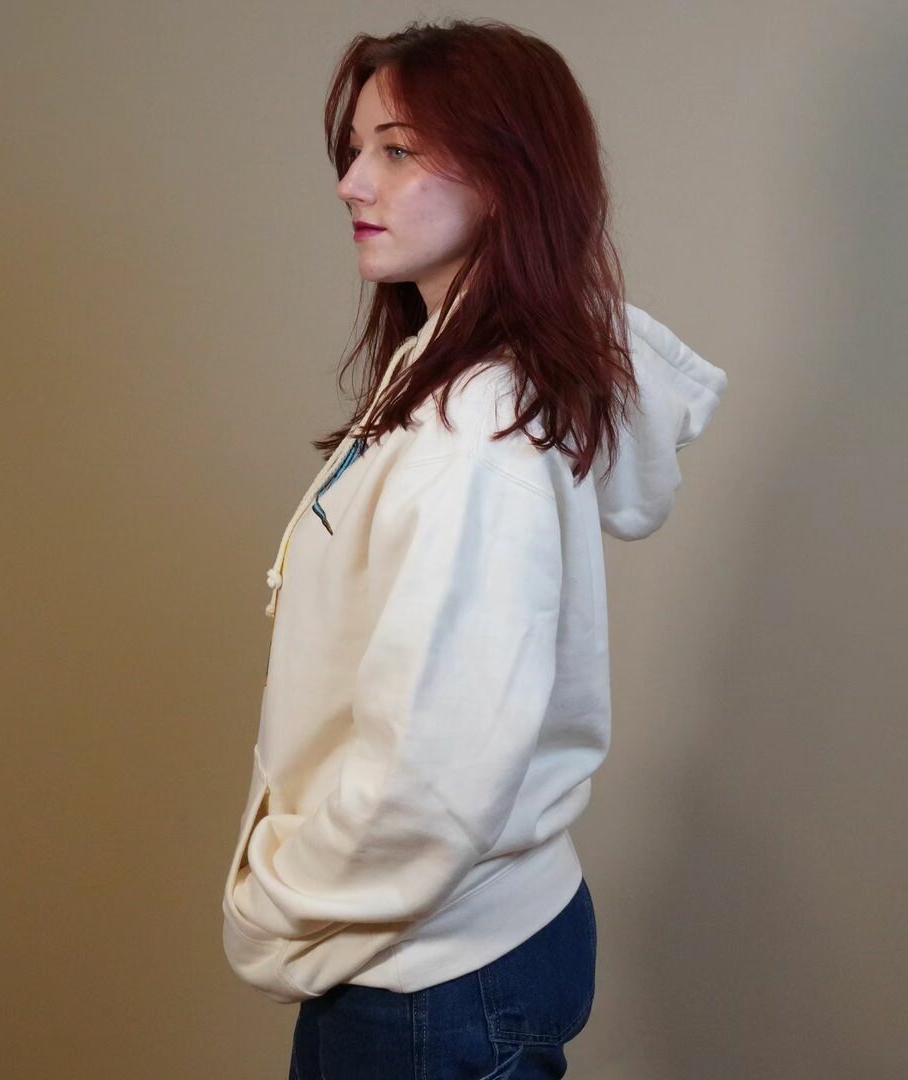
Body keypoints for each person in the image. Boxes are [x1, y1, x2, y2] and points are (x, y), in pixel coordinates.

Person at [220, 17, 728, 1079]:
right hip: (454, 954)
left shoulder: (475, 440)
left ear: (507, 178)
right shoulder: (447, 370)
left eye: (398, 150)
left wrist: (274, 903)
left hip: (432, 979)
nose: (352, 184)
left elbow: (435, 779)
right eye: (354, 150)